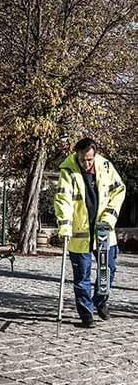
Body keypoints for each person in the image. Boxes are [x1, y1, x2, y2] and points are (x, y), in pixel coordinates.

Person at [54, 138, 126, 328]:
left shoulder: (106, 167)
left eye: (90, 159)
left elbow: (119, 190)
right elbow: (63, 200)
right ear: (76, 154)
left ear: (95, 155)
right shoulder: (67, 171)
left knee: (107, 271)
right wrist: (65, 226)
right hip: (79, 232)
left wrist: (110, 218)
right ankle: (86, 314)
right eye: (83, 159)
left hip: (103, 230)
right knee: (82, 276)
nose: (87, 163)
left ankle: (100, 301)